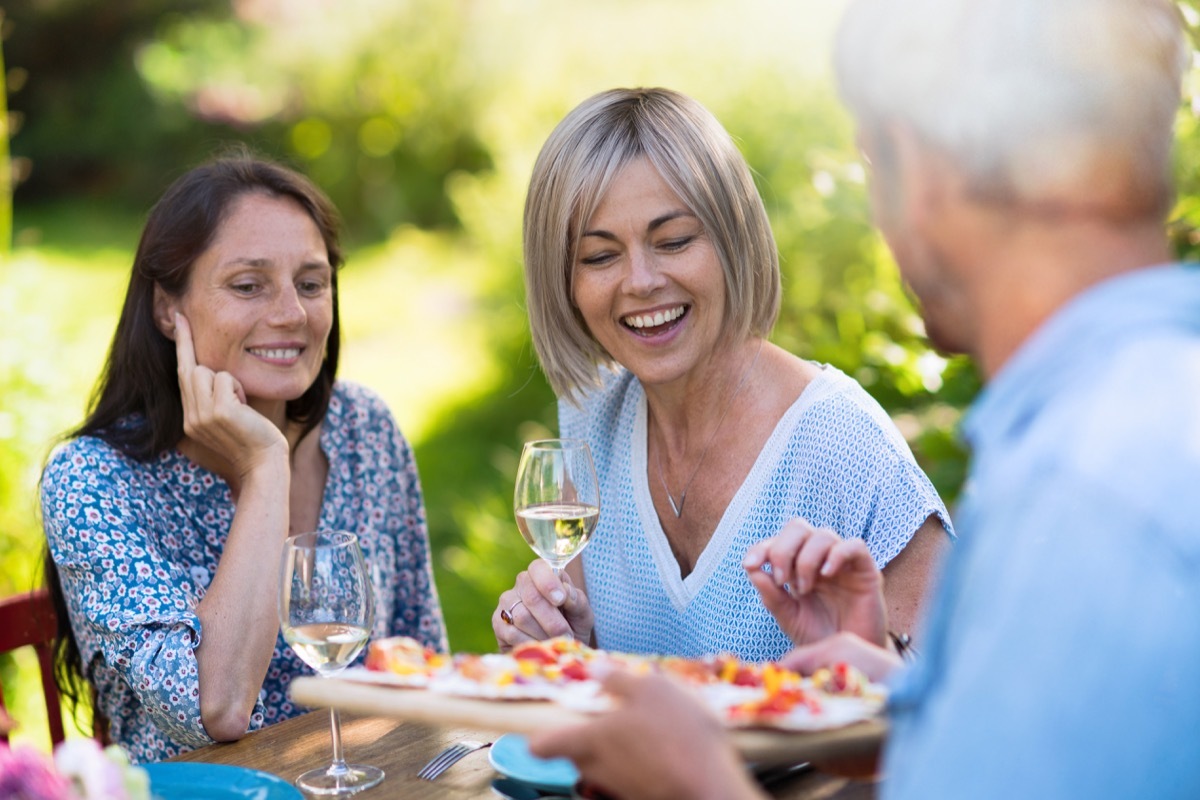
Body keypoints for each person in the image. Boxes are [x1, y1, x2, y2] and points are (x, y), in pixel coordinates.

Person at [527, 0, 1200, 798]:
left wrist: (701, 785)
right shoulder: (1124, 434)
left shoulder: (1084, 497)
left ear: (920, 174)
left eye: (873, 166)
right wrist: (886, 712)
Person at [492, 87, 953, 662]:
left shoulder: (846, 445)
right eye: (600, 256)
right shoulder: (589, 421)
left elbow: (946, 709)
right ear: (565, 281)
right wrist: (569, 647)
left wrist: (868, 666)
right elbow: (598, 703)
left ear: (733, 241)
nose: (640, 280)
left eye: (674, 241)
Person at [39, 150, 446, 764]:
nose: (291, 314)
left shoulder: (363, 430)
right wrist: (264, 468)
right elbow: (217, 709)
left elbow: (422, 663)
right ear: (166, 309)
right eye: (248, 285)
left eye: (311, 284)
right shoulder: (93, 481)